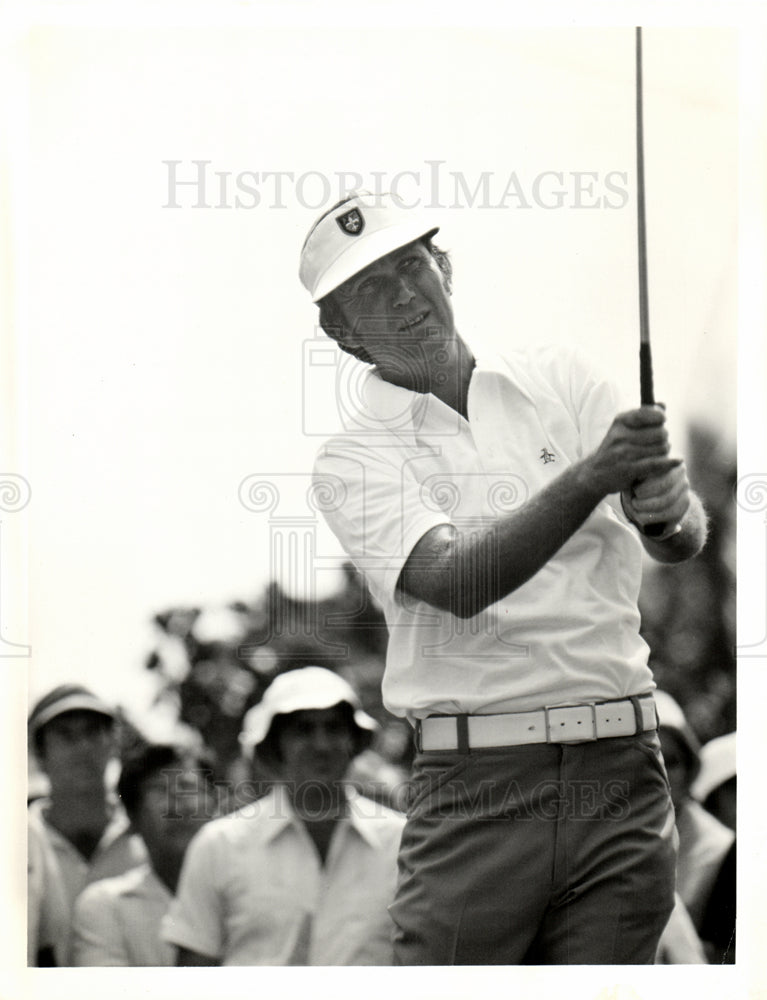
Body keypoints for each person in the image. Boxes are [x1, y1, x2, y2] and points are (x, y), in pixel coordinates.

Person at [303, 191, 708, 965]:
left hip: (622, 766)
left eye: (411, 265)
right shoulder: (352, 458)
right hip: (478, 787)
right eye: (369, 291)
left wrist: (664, 513)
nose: (402, 295)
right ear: (344, 335)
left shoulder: (559, 376)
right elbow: (455, 581)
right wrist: (592, 477)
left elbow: (677, 540)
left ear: (444, 268)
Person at [162, 666, 406, 965]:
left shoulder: (400, 842)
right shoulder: (221, 844)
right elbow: (193, 968)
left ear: (354, 741)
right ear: (275, 744)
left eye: (334, 728)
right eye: (304, 729)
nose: (322, 744)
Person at [27, 684, 147, 966]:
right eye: (66, 735)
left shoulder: (147, 837)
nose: (83, 747)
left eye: (93, 732)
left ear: (113, 744)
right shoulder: (14, 844)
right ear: (40, 754)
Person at [71, 743, 218, 966]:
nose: (179, 806)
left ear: (216, 805)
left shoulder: (251, 891)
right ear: (132, 816)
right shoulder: (105, 906)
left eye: (190, 787)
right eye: (160, 789)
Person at [654, 691, 735, 961]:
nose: (660, 775)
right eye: (649, 760)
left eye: (672, 762)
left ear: (690, 770)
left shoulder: (724, 852)